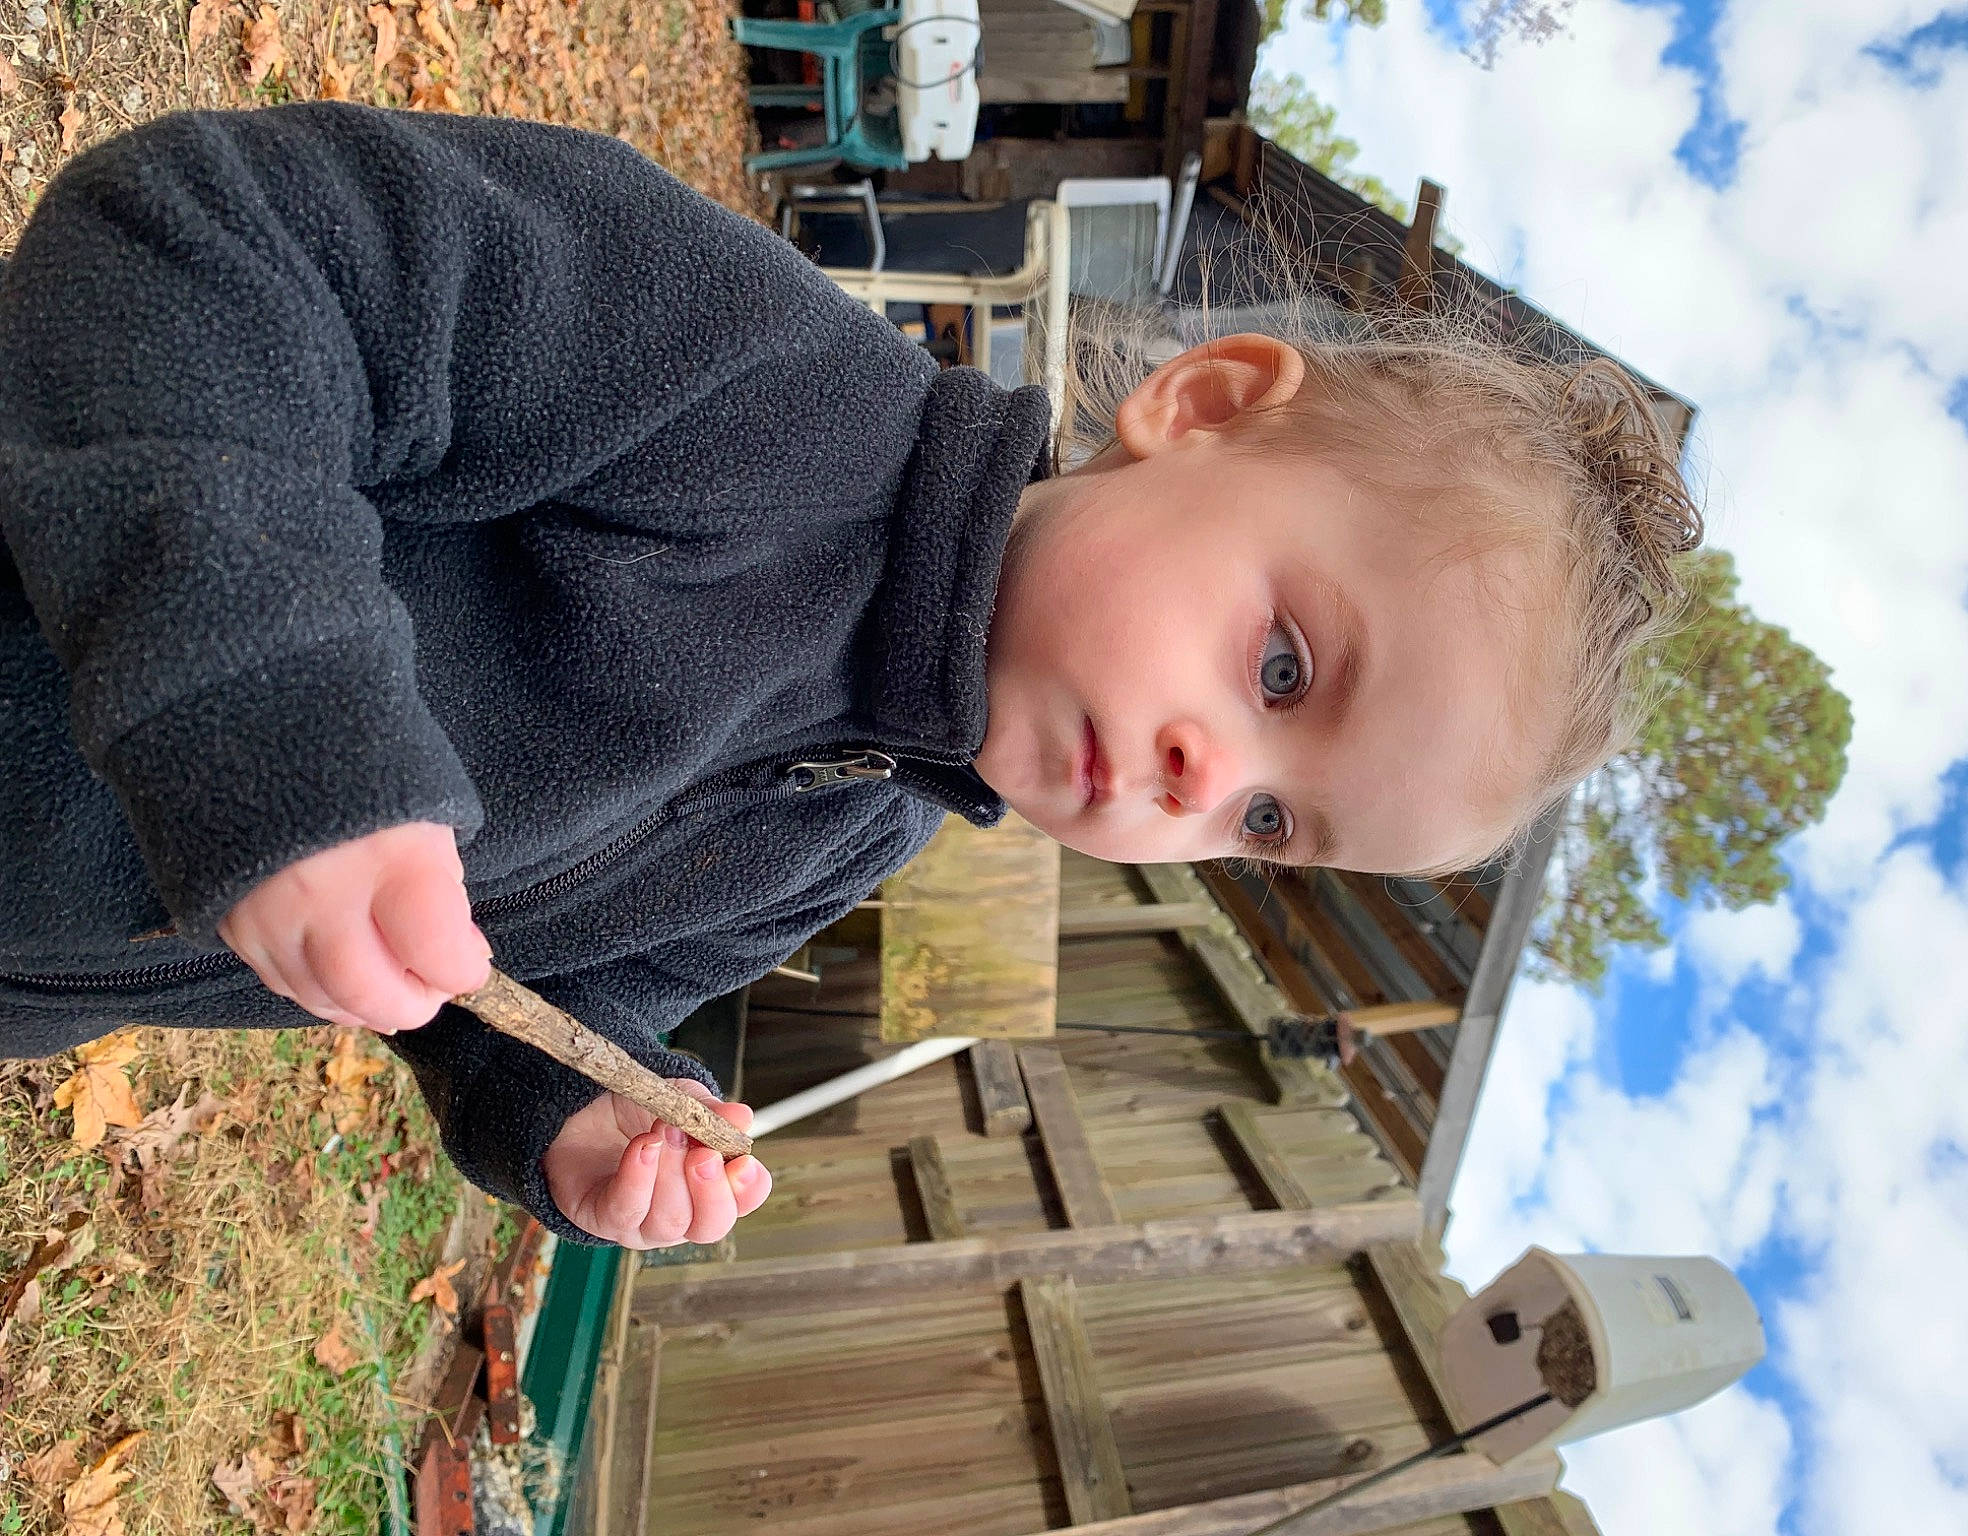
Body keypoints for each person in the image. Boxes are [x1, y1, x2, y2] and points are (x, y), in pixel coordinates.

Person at [0, 103, 1700, 1250]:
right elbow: (212, 239)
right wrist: (282, 726)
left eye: (1270, 820)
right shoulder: (760, 391)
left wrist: (579, 1106)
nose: (1204, 780)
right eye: (1279, 664)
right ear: (1201, 406)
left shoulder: (859, 833)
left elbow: (511, 976)